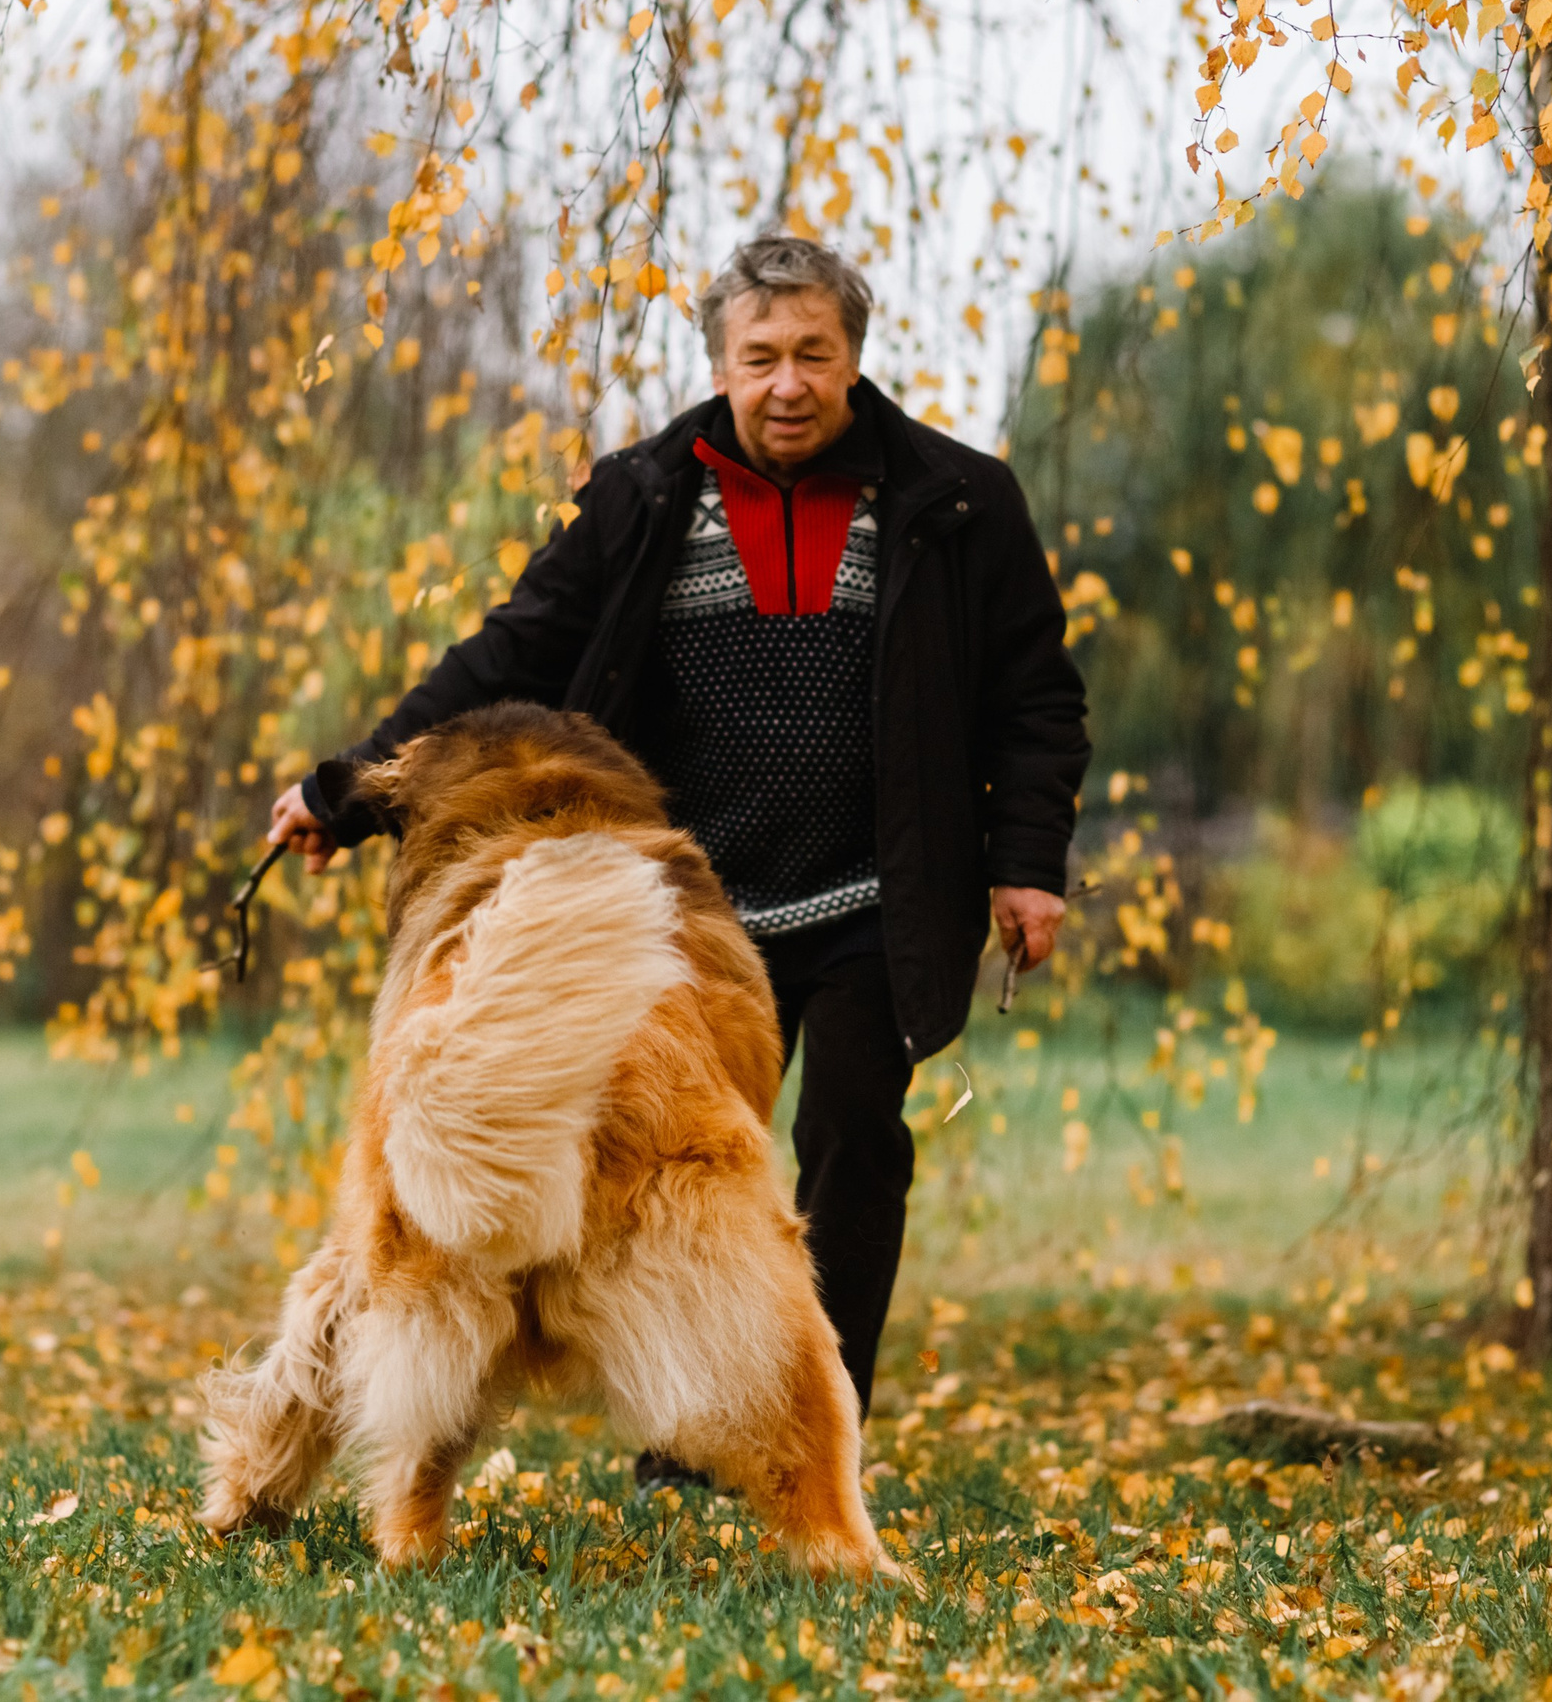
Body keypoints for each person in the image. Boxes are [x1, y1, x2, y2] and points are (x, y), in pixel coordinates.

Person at [268, 234, 1090, 1465]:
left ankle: (818, 1436)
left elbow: (1035, 698)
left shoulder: (956, 501)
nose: (788, 382)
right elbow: (511, 656)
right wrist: (349, 790)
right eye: (761, 357)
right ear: (721, 363)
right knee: (682, 1177)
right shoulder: (644, 495)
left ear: (853, 360)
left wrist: (1026, 861)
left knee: (856, 1141)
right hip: (687, 919)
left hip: (880, 895)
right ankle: (695, 1421)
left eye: (814, 353)